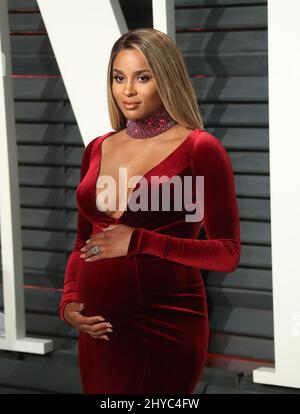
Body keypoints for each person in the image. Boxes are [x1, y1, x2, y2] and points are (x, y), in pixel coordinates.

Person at [58, 28, 241, 394]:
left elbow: (227, 254)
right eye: (118, 77)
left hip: (166, 325)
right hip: (101, 331)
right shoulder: (97, 148)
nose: (128, 90)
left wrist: (140, 240)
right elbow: (84, 241)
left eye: (143, 77)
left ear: (167, 79)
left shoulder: (200, 149)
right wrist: (68, 300)